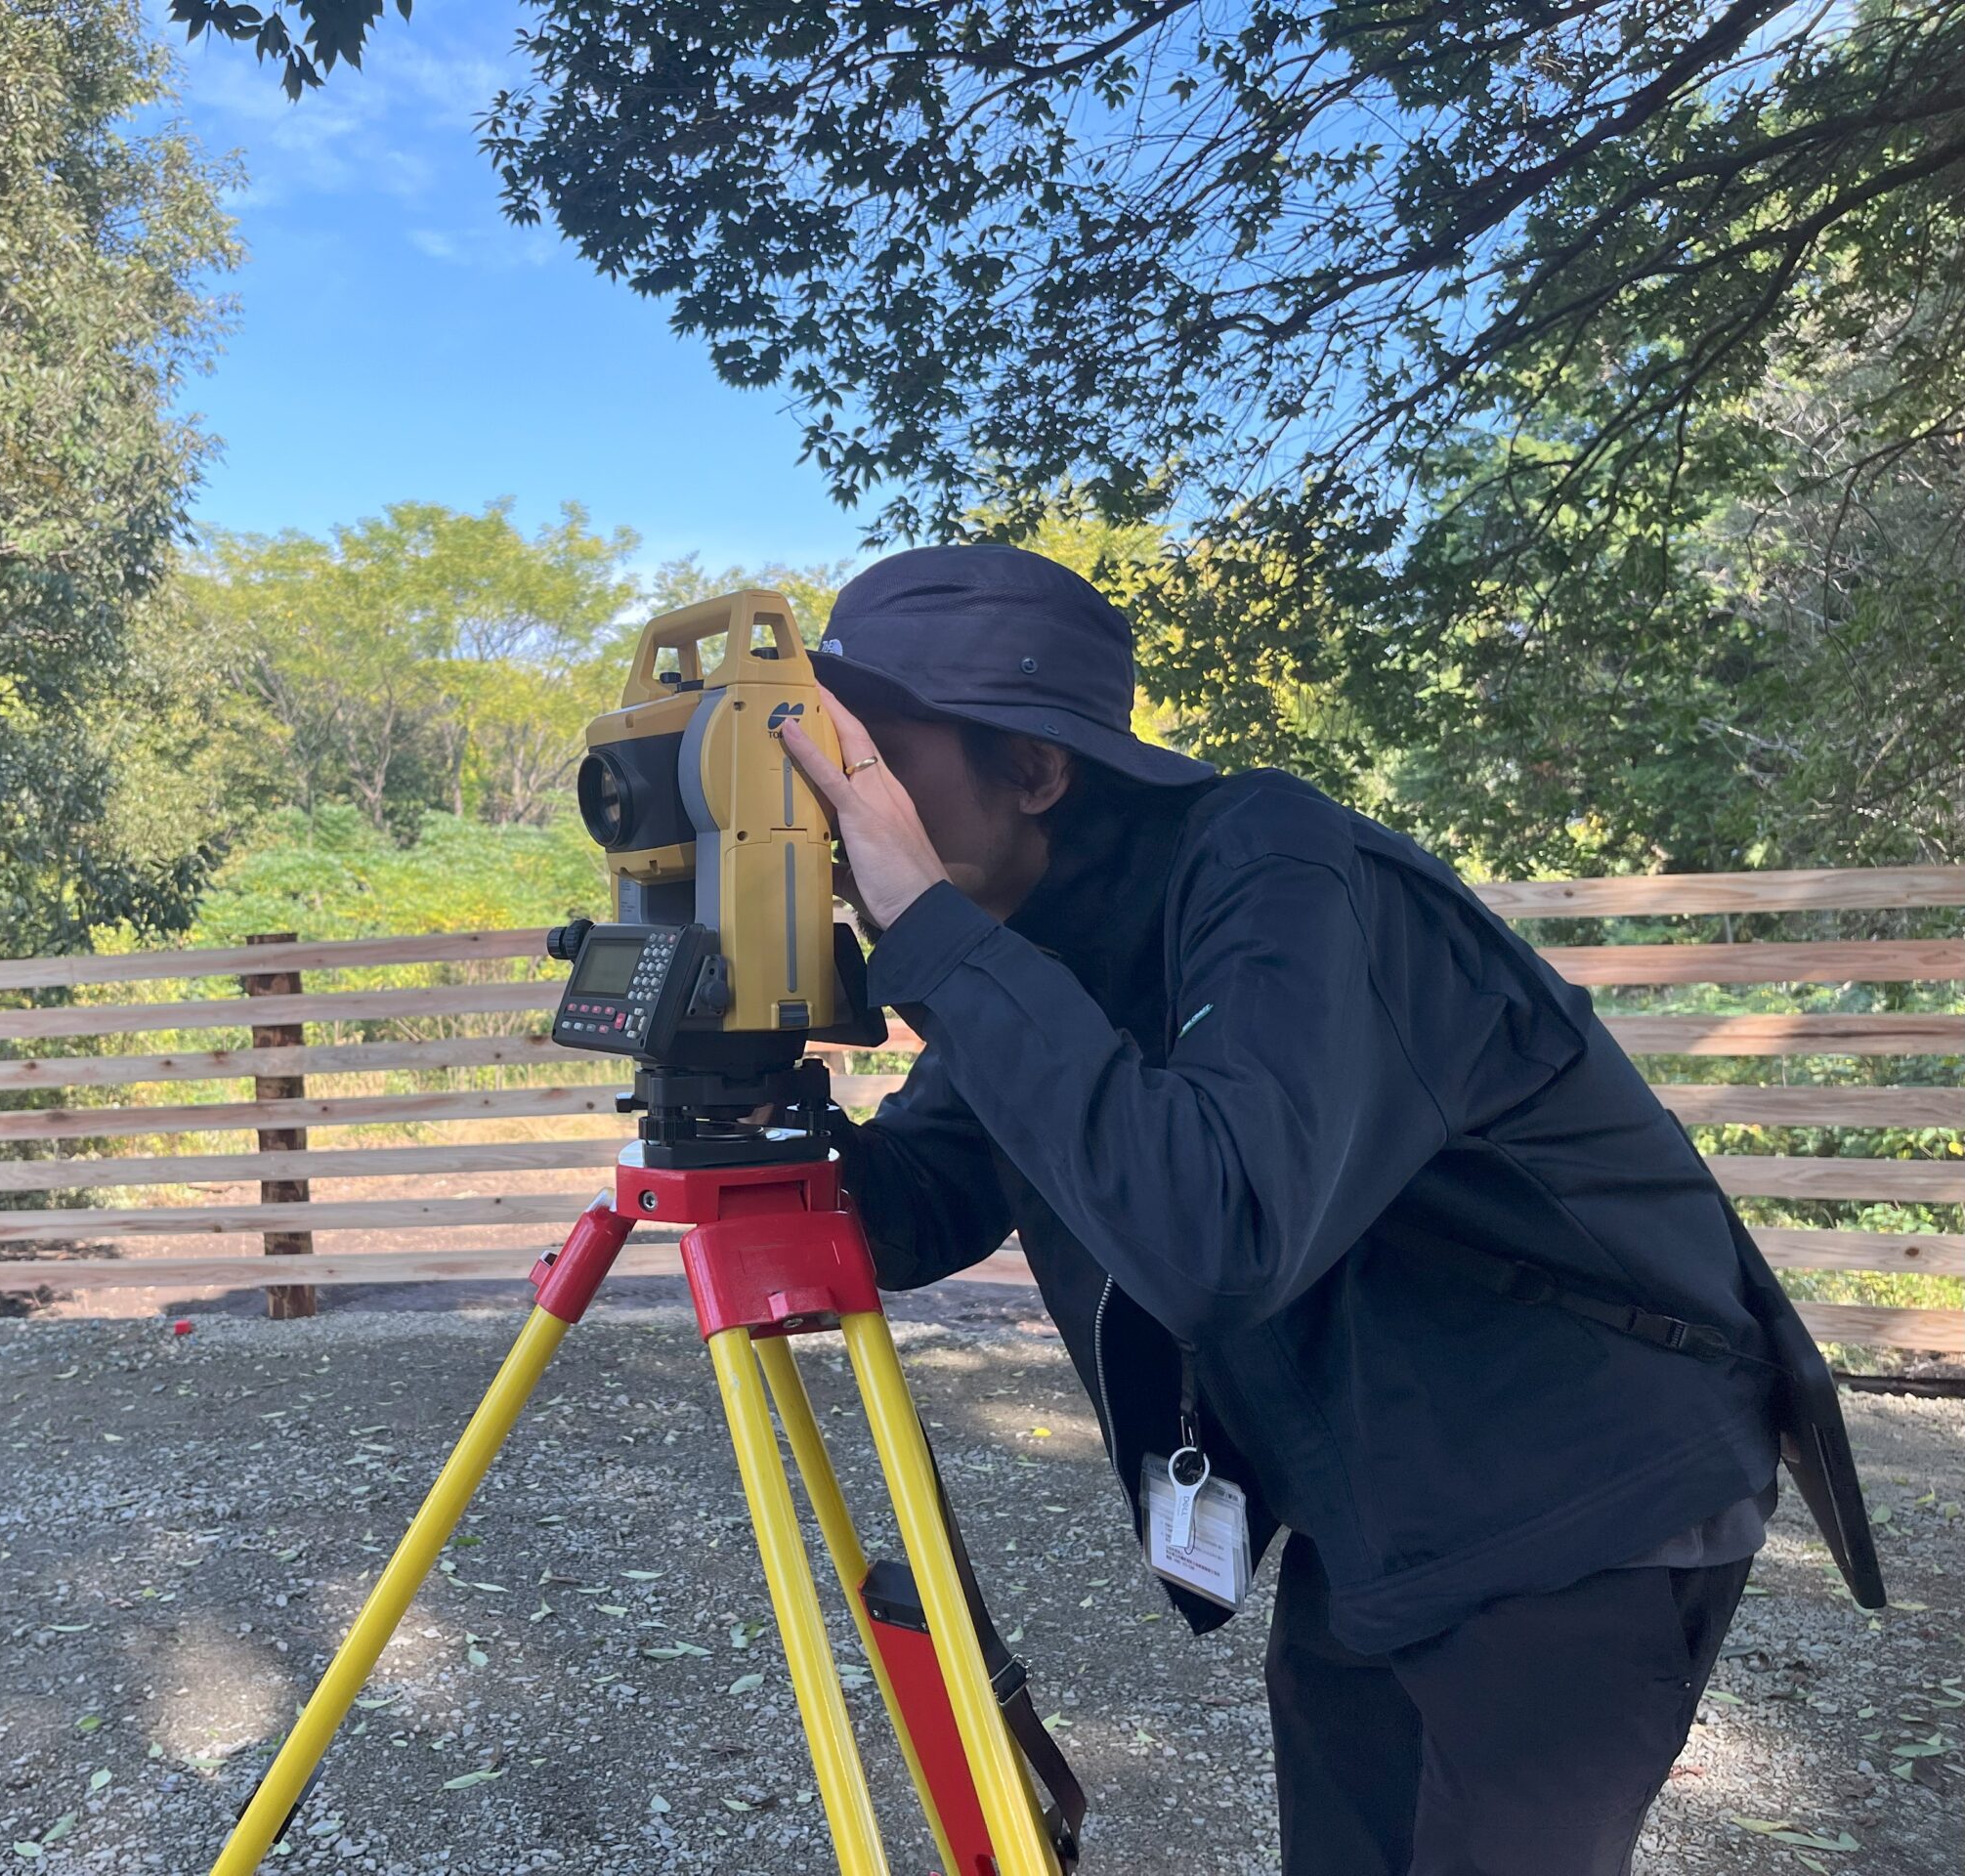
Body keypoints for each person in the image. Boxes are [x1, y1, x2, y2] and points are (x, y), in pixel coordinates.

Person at [771, 542, 1875, 1876]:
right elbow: (920, 1205)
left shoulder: (1274, 868)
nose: (837, 804)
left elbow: (1215, 1230)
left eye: (870, 759)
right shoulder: (1036, 937)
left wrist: (935, 931)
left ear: (1039, 770)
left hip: (1587, 1476)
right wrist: (742, 1096)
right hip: (1382, 1488)